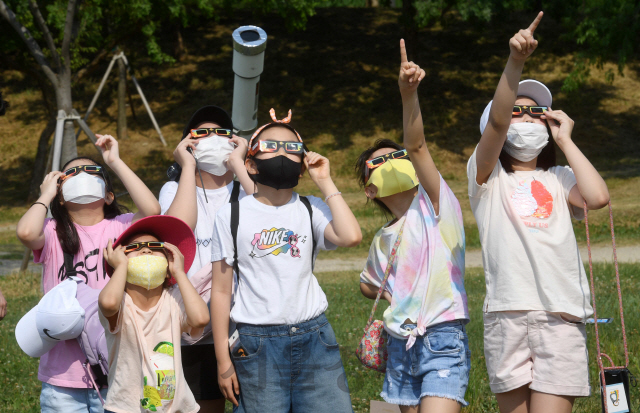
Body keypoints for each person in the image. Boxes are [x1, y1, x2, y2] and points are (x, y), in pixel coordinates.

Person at [467, 12, 610, 413]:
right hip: (507, 315)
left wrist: (565, 140)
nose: (527, 118)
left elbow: (597, 197)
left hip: (561, 316)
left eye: (536, 113)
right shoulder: (486, 176)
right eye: (518, 111)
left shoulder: (561, 177)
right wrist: (515, 63)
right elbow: (497, 123)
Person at [210, 108, 362, 412]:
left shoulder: (311, 208)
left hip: (315, 338)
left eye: (293, 148)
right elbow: (221, 291)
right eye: (271, 146)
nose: (282, 152)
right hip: (257, 343)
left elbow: (350, 236)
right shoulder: (231, 214)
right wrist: (222, 360)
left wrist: (325, 181)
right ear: (250, 164)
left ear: (302, 166)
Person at [356, 40, 470, 413]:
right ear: (371, 191)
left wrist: (409, 94)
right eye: (380, 162)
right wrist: (392, 298)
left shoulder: (436, 205)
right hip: (397, 342)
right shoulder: (382, 238)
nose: (393, 160)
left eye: (396, 155)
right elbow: (366, 282)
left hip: (442, 338)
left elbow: (417, 145)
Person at [16, 134, 160, 412]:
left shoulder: (121, 228)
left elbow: (152, 209)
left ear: (109, 195)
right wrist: (46, 193)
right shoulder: (51, 231)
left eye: (92, 171)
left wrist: (114, 161)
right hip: (62, 377)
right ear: (60, 193)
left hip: (118, 370)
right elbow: (25, 231)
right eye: (70, 174)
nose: (82, 175)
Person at [159, 106, 254, 412]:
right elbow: (177, 230)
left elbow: (271, 216)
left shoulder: (246, 189)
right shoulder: (174, 189)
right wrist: (187, 167)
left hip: (244, 324)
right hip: (191, 325)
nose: (212, 139)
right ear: (187, 143)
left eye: (222, 133)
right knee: (202, 405)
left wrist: (241, 164)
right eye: (200, 134)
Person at [99, 215, 210, 413]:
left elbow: (200, 318)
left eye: (155, 246)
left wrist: (180, 273)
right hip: (125, 408)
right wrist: (121, 267)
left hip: (177, 408)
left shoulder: (174, 299)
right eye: (134, 248)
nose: (146, 249)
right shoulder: (120, 302)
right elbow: (108, 303)